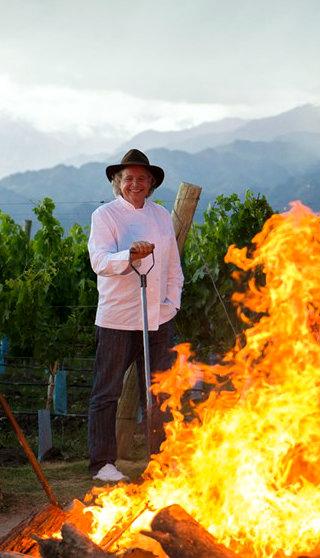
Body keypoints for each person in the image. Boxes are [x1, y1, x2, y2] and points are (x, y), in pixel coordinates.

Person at [87, 149, 183, 483]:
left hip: (157, 316)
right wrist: (129, 255)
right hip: (116, 317)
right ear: (118, 182)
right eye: (128, 178)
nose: (135, 184)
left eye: (142, 178)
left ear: (151, 183)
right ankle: (102, 463)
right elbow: (99, 261)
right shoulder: (105, 216)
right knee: (107, 391)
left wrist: (172, 304)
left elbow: (172, 265)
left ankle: (161, 459)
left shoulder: (160, 216)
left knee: (158, 391)